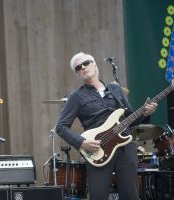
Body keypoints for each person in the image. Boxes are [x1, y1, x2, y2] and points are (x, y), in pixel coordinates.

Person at [55, 52, 157, 200]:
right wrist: (82, 142)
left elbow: (130, 118)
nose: (83, 67)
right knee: (99, 196)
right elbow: (61, 126)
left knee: (130, 195)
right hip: (98, 150)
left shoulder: (115, 89)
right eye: (78, 67)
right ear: (78, 74)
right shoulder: (76, 97)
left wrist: (146, 113)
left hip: (125, 148)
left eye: (86, 63)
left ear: (95, 65)